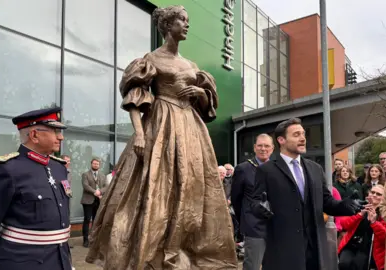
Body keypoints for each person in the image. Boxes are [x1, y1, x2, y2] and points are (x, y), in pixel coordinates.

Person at [85, 5, 237, 269]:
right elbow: (134, 100)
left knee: (190, 183)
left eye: (188, 20)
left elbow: (207, 103)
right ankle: (149, 250)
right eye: (182, 20)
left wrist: (200, 94)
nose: (187, 25)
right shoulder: (151, 60)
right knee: (154, 185)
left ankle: (182, 247)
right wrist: (140, 135)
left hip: (190, 125)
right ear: (168, 26)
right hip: (161, 122)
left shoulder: (191, 65)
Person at [0, 107, 74, 270]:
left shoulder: (59, 168)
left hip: (60, 259)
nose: (61, 137)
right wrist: (4, 259)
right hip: (22, 262)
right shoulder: (6, 170)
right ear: (34, 135)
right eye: (54, 131)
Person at [251, 118, 362, 270]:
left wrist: (345, 206)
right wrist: (259, 207)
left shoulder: (315, 168)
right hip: (283, 250)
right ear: (281, 140)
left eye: (303, 134)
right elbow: (255, 202)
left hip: (314, 249)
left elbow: (326, 202)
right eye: (296, 134)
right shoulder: (266, 170)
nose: (303, 138)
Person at [231, 133, 274, 270]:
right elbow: (236, 199)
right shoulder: (243, 169)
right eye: (260, 145)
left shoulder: (277, 168)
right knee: (252, 266)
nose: (263, 149)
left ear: (272, 148)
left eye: (267, 146)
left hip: (276, 227)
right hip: (254, 228)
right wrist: (246, 218)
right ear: (254, 148)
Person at [337, 184, 386, 270]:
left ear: (384, 198)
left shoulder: (384, 212)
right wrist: (359, 214)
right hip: (352, 244)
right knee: (343, 264)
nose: (374, 195)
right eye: (372, 192)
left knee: (358, 264)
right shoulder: (360, 205)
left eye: (378, 194)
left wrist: (374, 222)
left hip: (370, 247)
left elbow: (385, 237)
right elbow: (344, 224)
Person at [80, 158, 107, 247]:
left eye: (97, 164)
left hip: (98, 201)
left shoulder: (103, 175)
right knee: (87, 220)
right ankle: (85, 240)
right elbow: (85, 186)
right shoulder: (85, 174)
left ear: (99, 165)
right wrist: (95, 192)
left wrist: (100, 192)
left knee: (96, 220)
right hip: (88, 200)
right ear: (91, 164)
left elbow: (106, 186)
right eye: (94, 164)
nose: (96, 165)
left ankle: (94, 239)